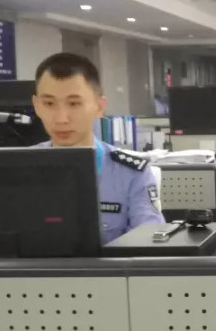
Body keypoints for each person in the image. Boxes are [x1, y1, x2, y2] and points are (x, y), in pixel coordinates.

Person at [32, 52, 164, 244]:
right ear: (36, 106)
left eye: (74, 103)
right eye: (49, 103)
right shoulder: (15, 168)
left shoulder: (132, 174)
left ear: (99, 107)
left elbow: (149, 244)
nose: (61, 118)